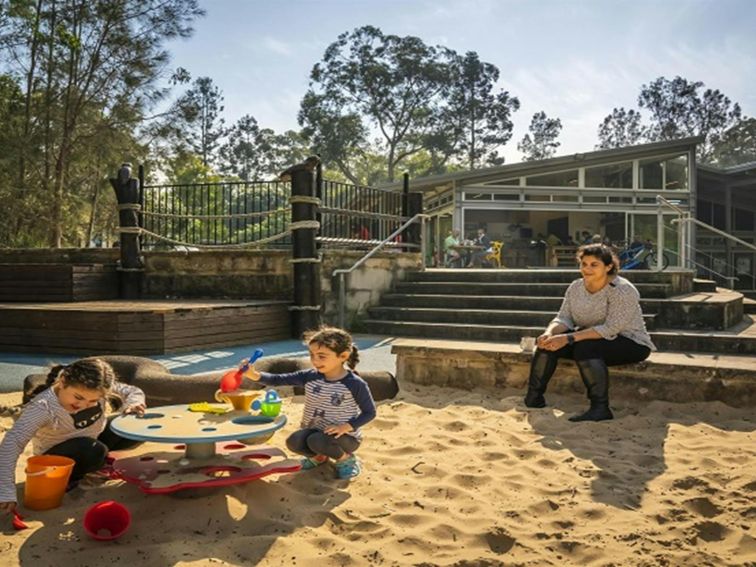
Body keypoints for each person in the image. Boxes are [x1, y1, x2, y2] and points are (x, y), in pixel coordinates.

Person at [523, 244, 655, 422]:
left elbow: (611, 328)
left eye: (594, 265)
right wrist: (550, 333)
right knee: (547, 345)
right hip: (588, 338)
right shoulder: (576, 287)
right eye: (584, 264)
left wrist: (568, 338)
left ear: (608, 267)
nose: (587, 269)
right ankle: (534, 398)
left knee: (585, 348)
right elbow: (564, 318)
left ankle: (600, 409)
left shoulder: (623, 290)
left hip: (630, 342)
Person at [0, 359, 146, 515]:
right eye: (78, 398)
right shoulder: (42, 407)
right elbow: (11, 443)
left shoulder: (98, 389)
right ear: (63, 382)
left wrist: (133, 403)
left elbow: (132, 391)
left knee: (135, 426)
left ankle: (99, 460)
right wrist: (5, 490)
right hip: (57, 457)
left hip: (92, 439)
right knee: (94, 451)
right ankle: (74, 477)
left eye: (93, 401)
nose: (83, 405)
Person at [244, 326, 376, 480]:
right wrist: (254, 375)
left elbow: (370, 412)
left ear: (343, 356)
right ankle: (319, 457)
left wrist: (345, 427)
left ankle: (346, 459)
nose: (315, 360)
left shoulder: (354, 383)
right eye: (312, 355)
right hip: (316, 431)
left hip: (345, 438)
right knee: (294, 441)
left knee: (317, 441)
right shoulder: (310, 376)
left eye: (322, 356)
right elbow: (278, 379)